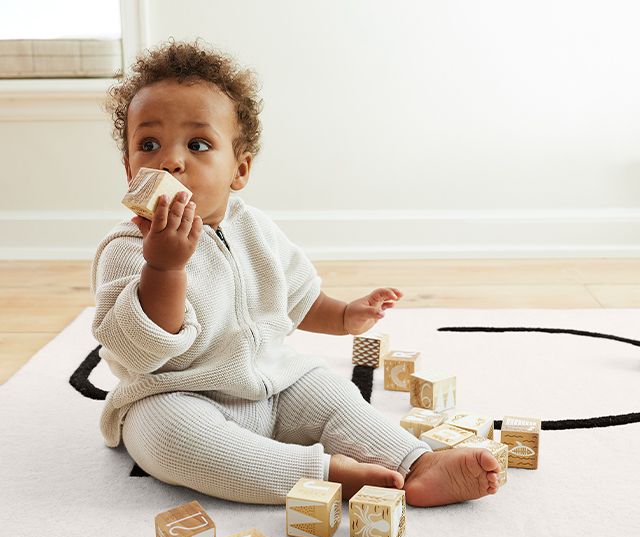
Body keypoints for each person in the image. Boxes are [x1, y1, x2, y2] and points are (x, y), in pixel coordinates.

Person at [92, 40, 501, 506]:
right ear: (129, 170)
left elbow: (297, 298)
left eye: (198, 144)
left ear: (239, 169)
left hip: (273, 382)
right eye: (148, 145)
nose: (170, 161)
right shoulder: (127, 249)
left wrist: (346, 314)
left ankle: (417, 461)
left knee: (329, 391)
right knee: (165, 439)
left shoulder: (257, 230)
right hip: (179, 394)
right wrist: (164, 266)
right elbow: (135, 351)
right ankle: (324, 475)